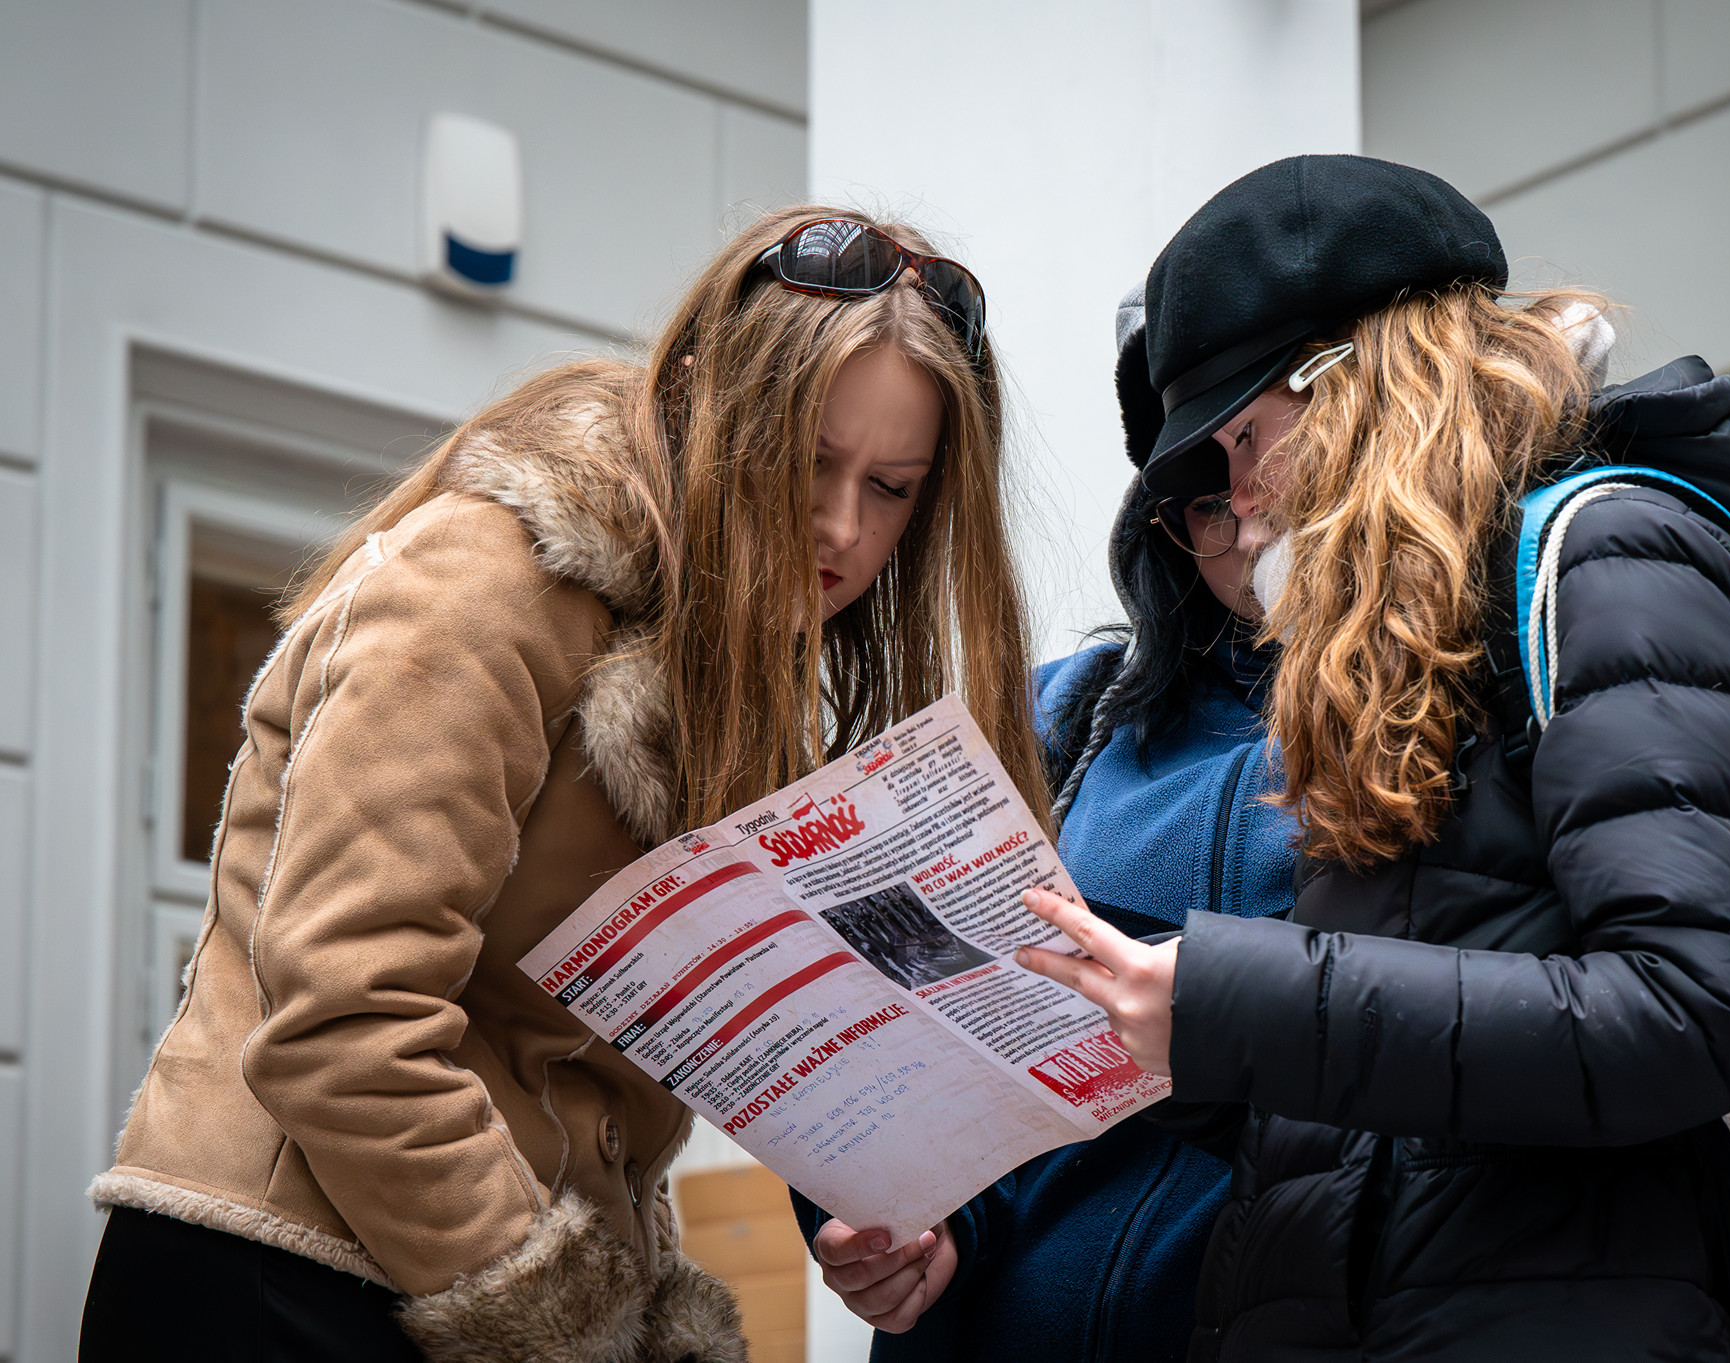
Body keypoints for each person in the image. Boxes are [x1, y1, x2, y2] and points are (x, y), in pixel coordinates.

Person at [80, 205, 1049, 1363]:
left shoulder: (724, 674)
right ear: (695, 395)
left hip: (448, 1294)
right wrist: (567, 1326)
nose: (841, 525)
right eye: (808, 460)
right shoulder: (489, 580)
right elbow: (342, 1019)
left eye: (891, 487)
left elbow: (587, 1099)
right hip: (285, 1285)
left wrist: (887, 1211)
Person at [1017, 154, 1730, 1360]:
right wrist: (1180, 1034)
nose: (1238, 508)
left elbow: (1687, 1008)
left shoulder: (1604, 557)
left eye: (1249, 436)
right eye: (1208, 476)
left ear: (1367, 383)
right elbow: (1399, 1083)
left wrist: (1233, 1004)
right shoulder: (1394, 639)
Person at [792, 287, 1299, 1359]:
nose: (1247, 515)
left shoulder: (1437, 740)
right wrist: (906, 1226)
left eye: (1265, 455)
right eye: (1201, 498)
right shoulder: (1054, 719)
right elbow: (897, 1051)